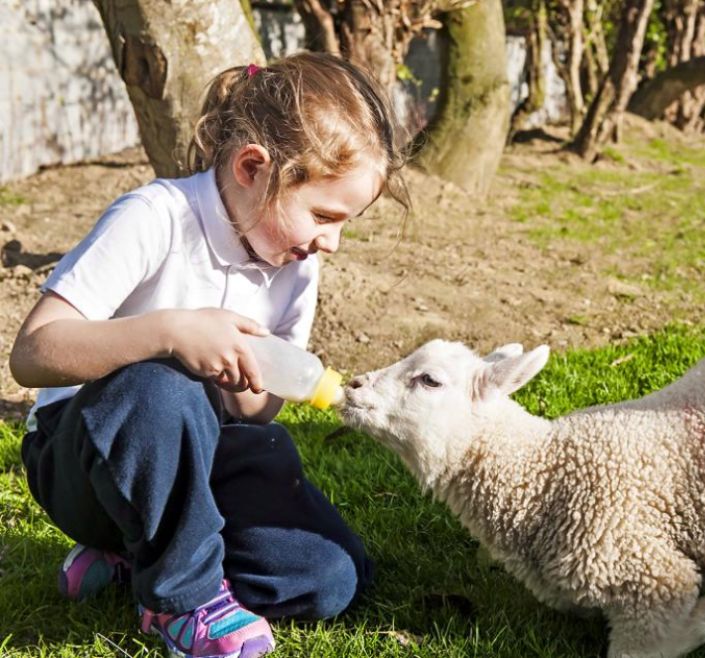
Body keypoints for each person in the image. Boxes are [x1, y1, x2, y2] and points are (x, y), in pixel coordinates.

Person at [9, 52, 408, 658]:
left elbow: (256, 411)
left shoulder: (296, 266)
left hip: (198, 460)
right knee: (161, 385)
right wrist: (169, 334)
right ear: (254, 167)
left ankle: (139, 560)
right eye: (324, 215)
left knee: (329, 576)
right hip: (87, 456)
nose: (331, 240)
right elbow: (34, 352)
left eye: (344, 223)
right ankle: (183, 601)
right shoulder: (155, 218)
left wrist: (252, 385)